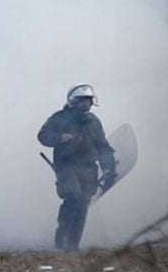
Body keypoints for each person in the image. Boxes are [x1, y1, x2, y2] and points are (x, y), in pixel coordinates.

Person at [37, 84, 118, 252]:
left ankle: (73, 245)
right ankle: (61, 240)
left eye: (88, 101)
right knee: (73, 197)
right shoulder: (59, 118)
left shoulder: (93, 122)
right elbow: (43, 136)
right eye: (82, 101)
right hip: (66, 166)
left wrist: (109, 166)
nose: (86, 104)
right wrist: (59, 137)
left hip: (88, 168)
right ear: (74, 101)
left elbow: (102, 145)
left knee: (82, 204)